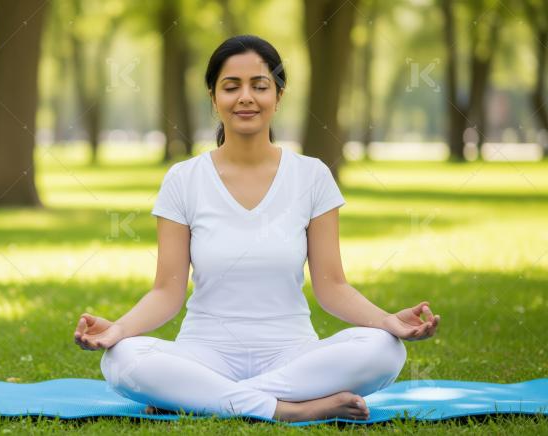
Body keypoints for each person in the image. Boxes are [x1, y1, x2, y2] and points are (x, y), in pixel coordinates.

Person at [73, 35, 440, 423]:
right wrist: (119, 330)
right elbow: (166, 292)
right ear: (214, 98)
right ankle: (286, 409)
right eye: (231, 87)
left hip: (293, 355)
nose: (245, 97)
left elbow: (332, 286)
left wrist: (386, 321)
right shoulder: (183, 179)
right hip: (204, 353)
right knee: (124, 360)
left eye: (259, 86)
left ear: (278, 96)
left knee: (386, 350)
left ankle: (197, 397)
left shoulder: (312, 176)